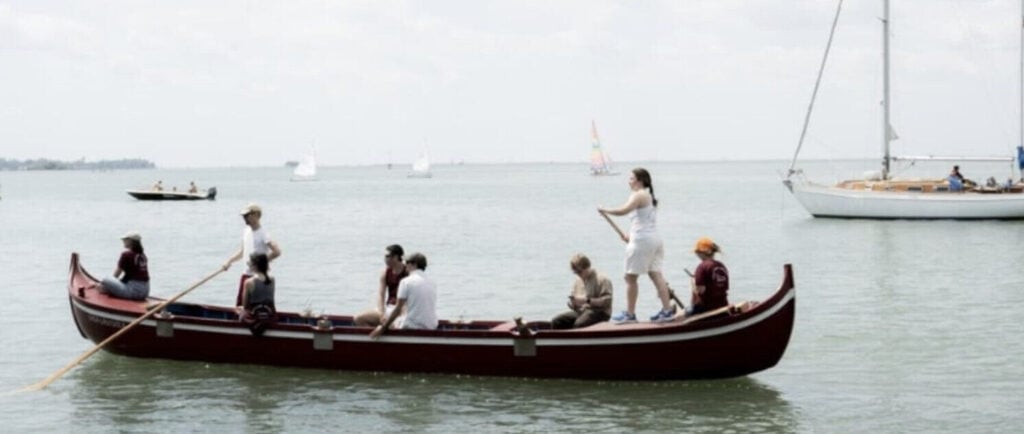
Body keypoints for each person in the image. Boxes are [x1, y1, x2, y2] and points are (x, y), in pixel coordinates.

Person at [598, 167, 675, 323]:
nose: (629, 181)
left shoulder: (639, 195)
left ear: (640, 181)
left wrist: (605, 210)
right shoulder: (647, 196)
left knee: (630, 278)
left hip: (643, 241)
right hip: (653, 240)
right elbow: (641, 221)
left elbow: (623, 210)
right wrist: (630, 237)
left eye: (631, 178)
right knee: (656, 275)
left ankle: (630, 315)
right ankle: (667, 310)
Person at [222, 203, 282, 306]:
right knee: (240, 306)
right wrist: (229, 261)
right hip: (246, 274)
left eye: (247, 215)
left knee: (253, 308)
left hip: (258, 277)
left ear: (256, 215)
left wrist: (261, 262)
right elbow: (242, 253)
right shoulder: (246, 231)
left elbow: (277, 251)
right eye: (244, 216)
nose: (244, 218)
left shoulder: (263, 234)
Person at [369, 252, 437, 339]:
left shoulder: (406, 282)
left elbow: (397, 309)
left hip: (411, 326)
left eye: (407, 262)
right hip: (431, 325)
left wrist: (383, 327)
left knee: (382, 324)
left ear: (414, 265)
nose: (405, 265)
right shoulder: (432, 282)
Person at [551, 254, 613, 329]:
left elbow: (607, 301)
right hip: (582, 311)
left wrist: (587, 300)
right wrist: (573, 303)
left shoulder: (602, 279)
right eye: (575, 272)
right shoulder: (578, 281)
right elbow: (574, 301)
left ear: (587, 267)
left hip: (600, 312)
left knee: (579, 324)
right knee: (557, 321)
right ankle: (559, 340)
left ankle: (576, 339)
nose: (578, 275)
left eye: (579, 272)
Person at [353, 244, 409, 327]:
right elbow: (381, 294)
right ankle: (377, 338)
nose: (385, 259)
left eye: (387, 256)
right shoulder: (385, 273)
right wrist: (382, 313)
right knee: (358, 318)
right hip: (389, 307)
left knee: (397, 325)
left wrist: (401, 313)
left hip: (403, 309)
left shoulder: (408, 272)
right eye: (385, 257)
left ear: (396, 257)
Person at [96, 232, 150, 300]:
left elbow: (116, 275)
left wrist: (103, 285)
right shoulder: (142, 255)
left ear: (130, 241)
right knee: (115, 283)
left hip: (133, 292)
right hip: (145, 292)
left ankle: (104, 289)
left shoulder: (126, 254)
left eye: (125, 239)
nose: (123, 241)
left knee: (105, 279)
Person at [238, 252, 276, 336]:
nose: (249, 265)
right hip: (269, 315)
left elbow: (245, 306)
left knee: (239, 311)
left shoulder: (248, 282)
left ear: (255, 266)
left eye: (250, 263)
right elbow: (272, 301)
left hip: (255, 317)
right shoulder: (272, 280)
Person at [689, 237, 729, 316]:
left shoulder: (701, 267)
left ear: (701, 252)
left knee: (679, 316)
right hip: (723, 305)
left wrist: (693, 283)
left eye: (697, 252)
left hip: (707, 308)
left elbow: (700, 291)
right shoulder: (721, 266)